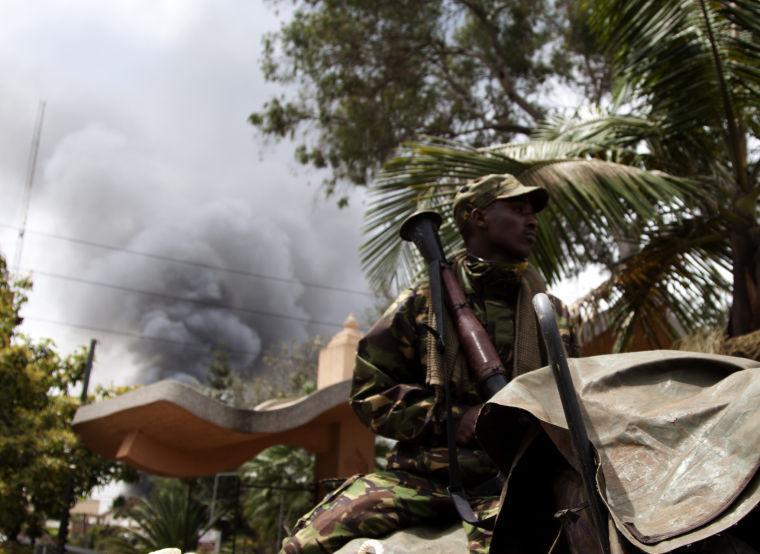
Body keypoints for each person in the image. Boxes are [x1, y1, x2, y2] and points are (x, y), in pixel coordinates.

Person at [282, 174, 576, 554]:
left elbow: (575, 397)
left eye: (532, 213)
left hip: (526, 478)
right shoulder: (422, 304)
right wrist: (455, 418)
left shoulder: (549, 313)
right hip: (425, 479)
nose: (532, 220)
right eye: (517, 210)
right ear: (477, 218)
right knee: (306, 543)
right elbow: (371, 393)